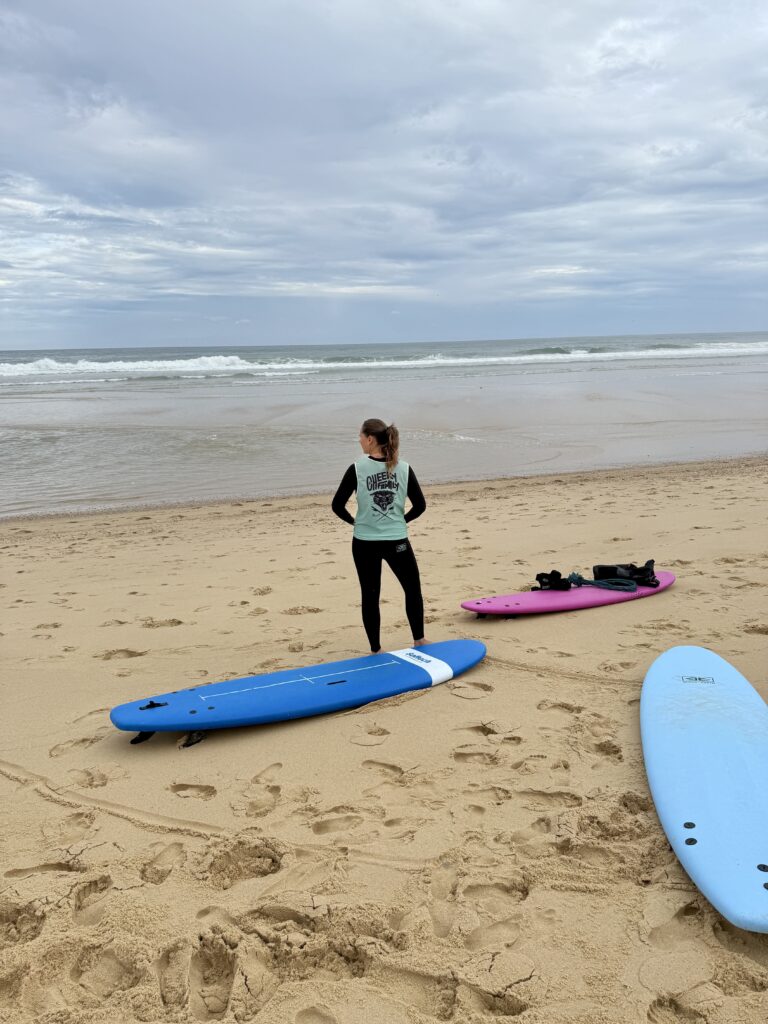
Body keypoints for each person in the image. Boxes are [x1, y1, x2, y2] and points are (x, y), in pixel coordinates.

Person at [332, 419, 428, 654]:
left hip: (364, 542)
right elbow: (420, 506)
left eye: (360, 436)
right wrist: (400, 521)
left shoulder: (357, 468)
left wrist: (357, 522)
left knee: (370, 594)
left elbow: (337, 505)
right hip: (397, 540)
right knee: (412, 589)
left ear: (370, 439)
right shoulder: (403, 468)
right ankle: (419, 641)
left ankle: (376, 650)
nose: (359, 440)